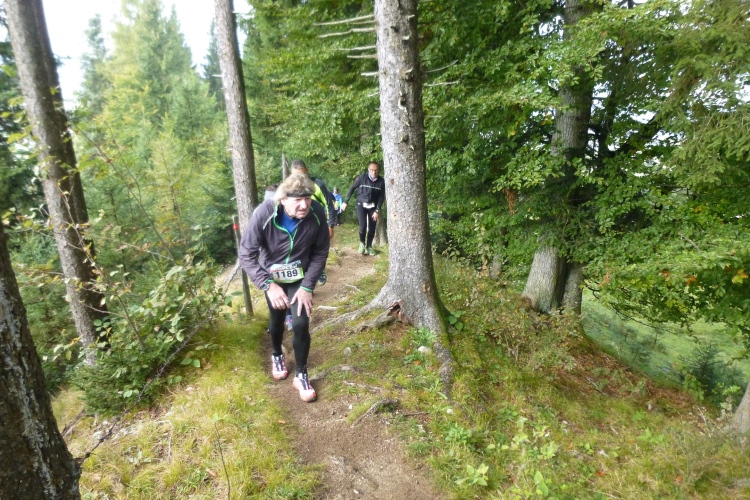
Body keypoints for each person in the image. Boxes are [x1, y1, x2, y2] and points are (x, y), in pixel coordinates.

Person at [240, 174, 330, 402]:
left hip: (300, 275)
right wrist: (267, 284)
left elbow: (321, 251)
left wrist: (307, 286)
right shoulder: (265, 213)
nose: (304, 205)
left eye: (307, 199)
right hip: (272, 275)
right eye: (297, 200)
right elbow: (246, 254)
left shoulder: (317, 212)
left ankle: (301, 373)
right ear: (283, 199)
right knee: (277, 317)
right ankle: (277, 354)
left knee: (300, 323)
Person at [291, 160, 334, 286]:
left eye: (302, 174)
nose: (300, 178)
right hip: (297, 223)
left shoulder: (318, 185)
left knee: (318, 248)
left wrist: (330, 225)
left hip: (317, 222)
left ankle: (320, 270)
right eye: (296, 175)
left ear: (307, 171)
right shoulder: (289, 186)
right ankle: (301, 280)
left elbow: (329, 205)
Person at [341, 161, 385, 256]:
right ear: (368, 170)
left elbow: (381, 197)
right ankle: (362, 243)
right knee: (363, 226)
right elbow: (352, 188)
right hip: (361, 204)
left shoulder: (382, 182)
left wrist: (377, 210)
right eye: (372, 170)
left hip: (373, 206)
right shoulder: (362, 178)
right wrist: (345, 202)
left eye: (376, 170)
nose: (374, 172)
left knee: (372, 227)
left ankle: (369, 246)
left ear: (379, 170)